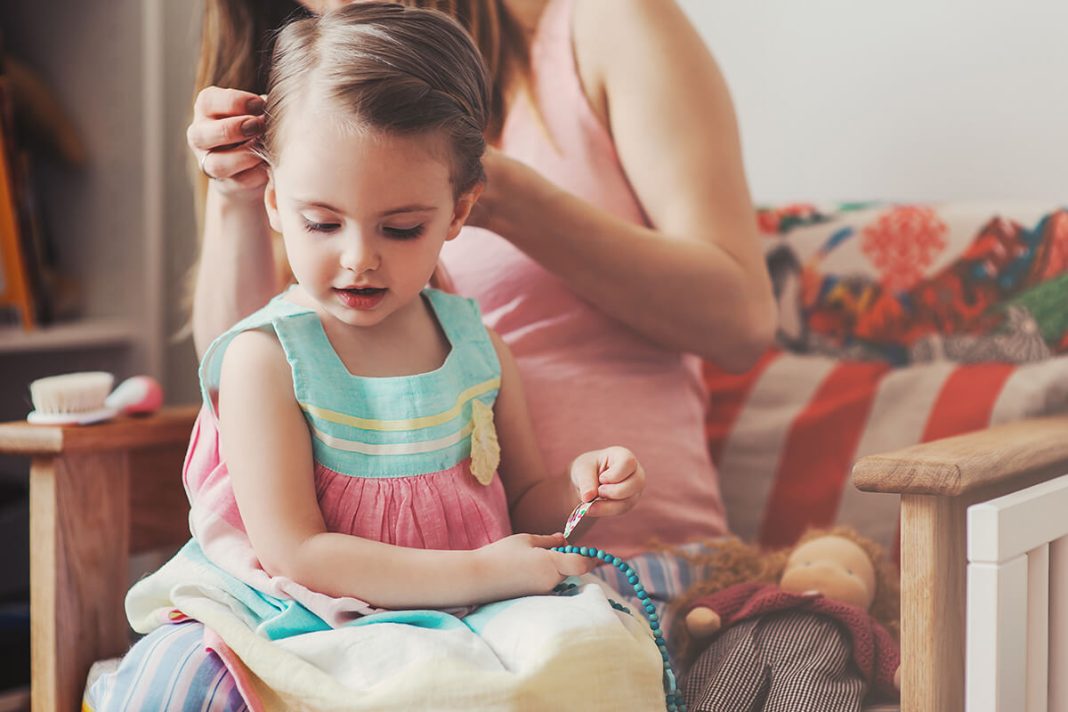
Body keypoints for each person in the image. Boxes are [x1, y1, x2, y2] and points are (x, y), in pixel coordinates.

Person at [86, 6, 662, 710]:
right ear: (274, 202)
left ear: (458, 212)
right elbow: (297, 553)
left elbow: (523, 504)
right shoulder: (266, 360)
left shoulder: (477, 348)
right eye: (322, 222)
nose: (359, 258)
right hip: (307, 614)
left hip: (474, 610)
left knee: (595, 649)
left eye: (401, 228)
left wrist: (581, 492)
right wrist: (481, 571)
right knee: (187, 681)